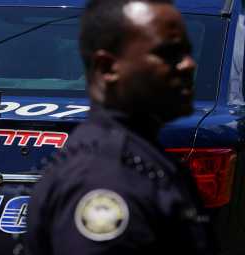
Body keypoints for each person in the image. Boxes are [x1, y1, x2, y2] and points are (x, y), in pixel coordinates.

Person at [25, 0, 215, 254]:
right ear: (107, 68)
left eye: (188, 53)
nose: (189, 65)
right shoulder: (104, 176)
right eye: (169, 54)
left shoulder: (138, 155)